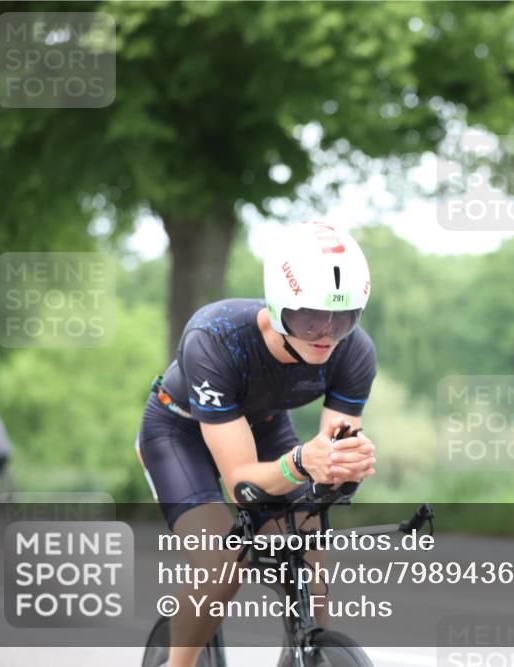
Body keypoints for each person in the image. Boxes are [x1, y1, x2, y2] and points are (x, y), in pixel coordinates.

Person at [136, 221, 378, 667]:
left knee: (309, 560)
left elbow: (333, 455)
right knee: (223, 563)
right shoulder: (215, 338)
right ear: (278, 304)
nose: (325, 333)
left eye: (342, 318)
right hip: (179, 432)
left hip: (263, 429)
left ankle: (305, 655)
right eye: (309, 316)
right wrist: (304, 462)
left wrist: (346, 466)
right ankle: (178, 664)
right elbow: (241, 485)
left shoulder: (354, 350)